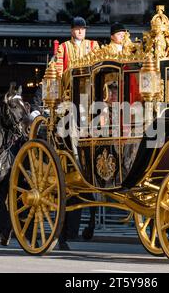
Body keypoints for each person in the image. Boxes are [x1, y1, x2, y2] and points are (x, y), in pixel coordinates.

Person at [56, 17, 98, 250]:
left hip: (91, 99)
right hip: (70, 97)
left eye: (83, 29)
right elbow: (58, 72)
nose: (80, 32)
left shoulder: (94, 46)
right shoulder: (64, 48)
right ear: (72, 30)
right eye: (77, 29)